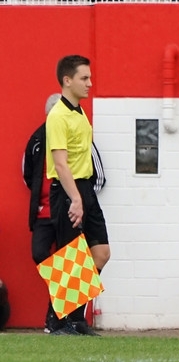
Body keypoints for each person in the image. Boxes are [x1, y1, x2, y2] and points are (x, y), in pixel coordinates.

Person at [24, 93, 106, 334]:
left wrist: (81, 198)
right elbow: (28, 174)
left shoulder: (78, 132)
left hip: (76, 204)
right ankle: (62, 316)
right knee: (44, 255)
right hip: (47, 210)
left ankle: (66, 318)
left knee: (78, 258)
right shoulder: (37, 140)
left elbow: (98, 175)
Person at [44, 56, 112, 336]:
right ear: (67, 80)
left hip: (85, 189)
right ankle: (57, 322)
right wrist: (75, 199)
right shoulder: (58, 116)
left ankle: (73, 317)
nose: (90, 83)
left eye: (90, 77)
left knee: (101, 253)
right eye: (84, 78)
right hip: (67, 190)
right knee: (70, 257)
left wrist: (84, 196)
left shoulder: (80, 112)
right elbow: (60, 164)